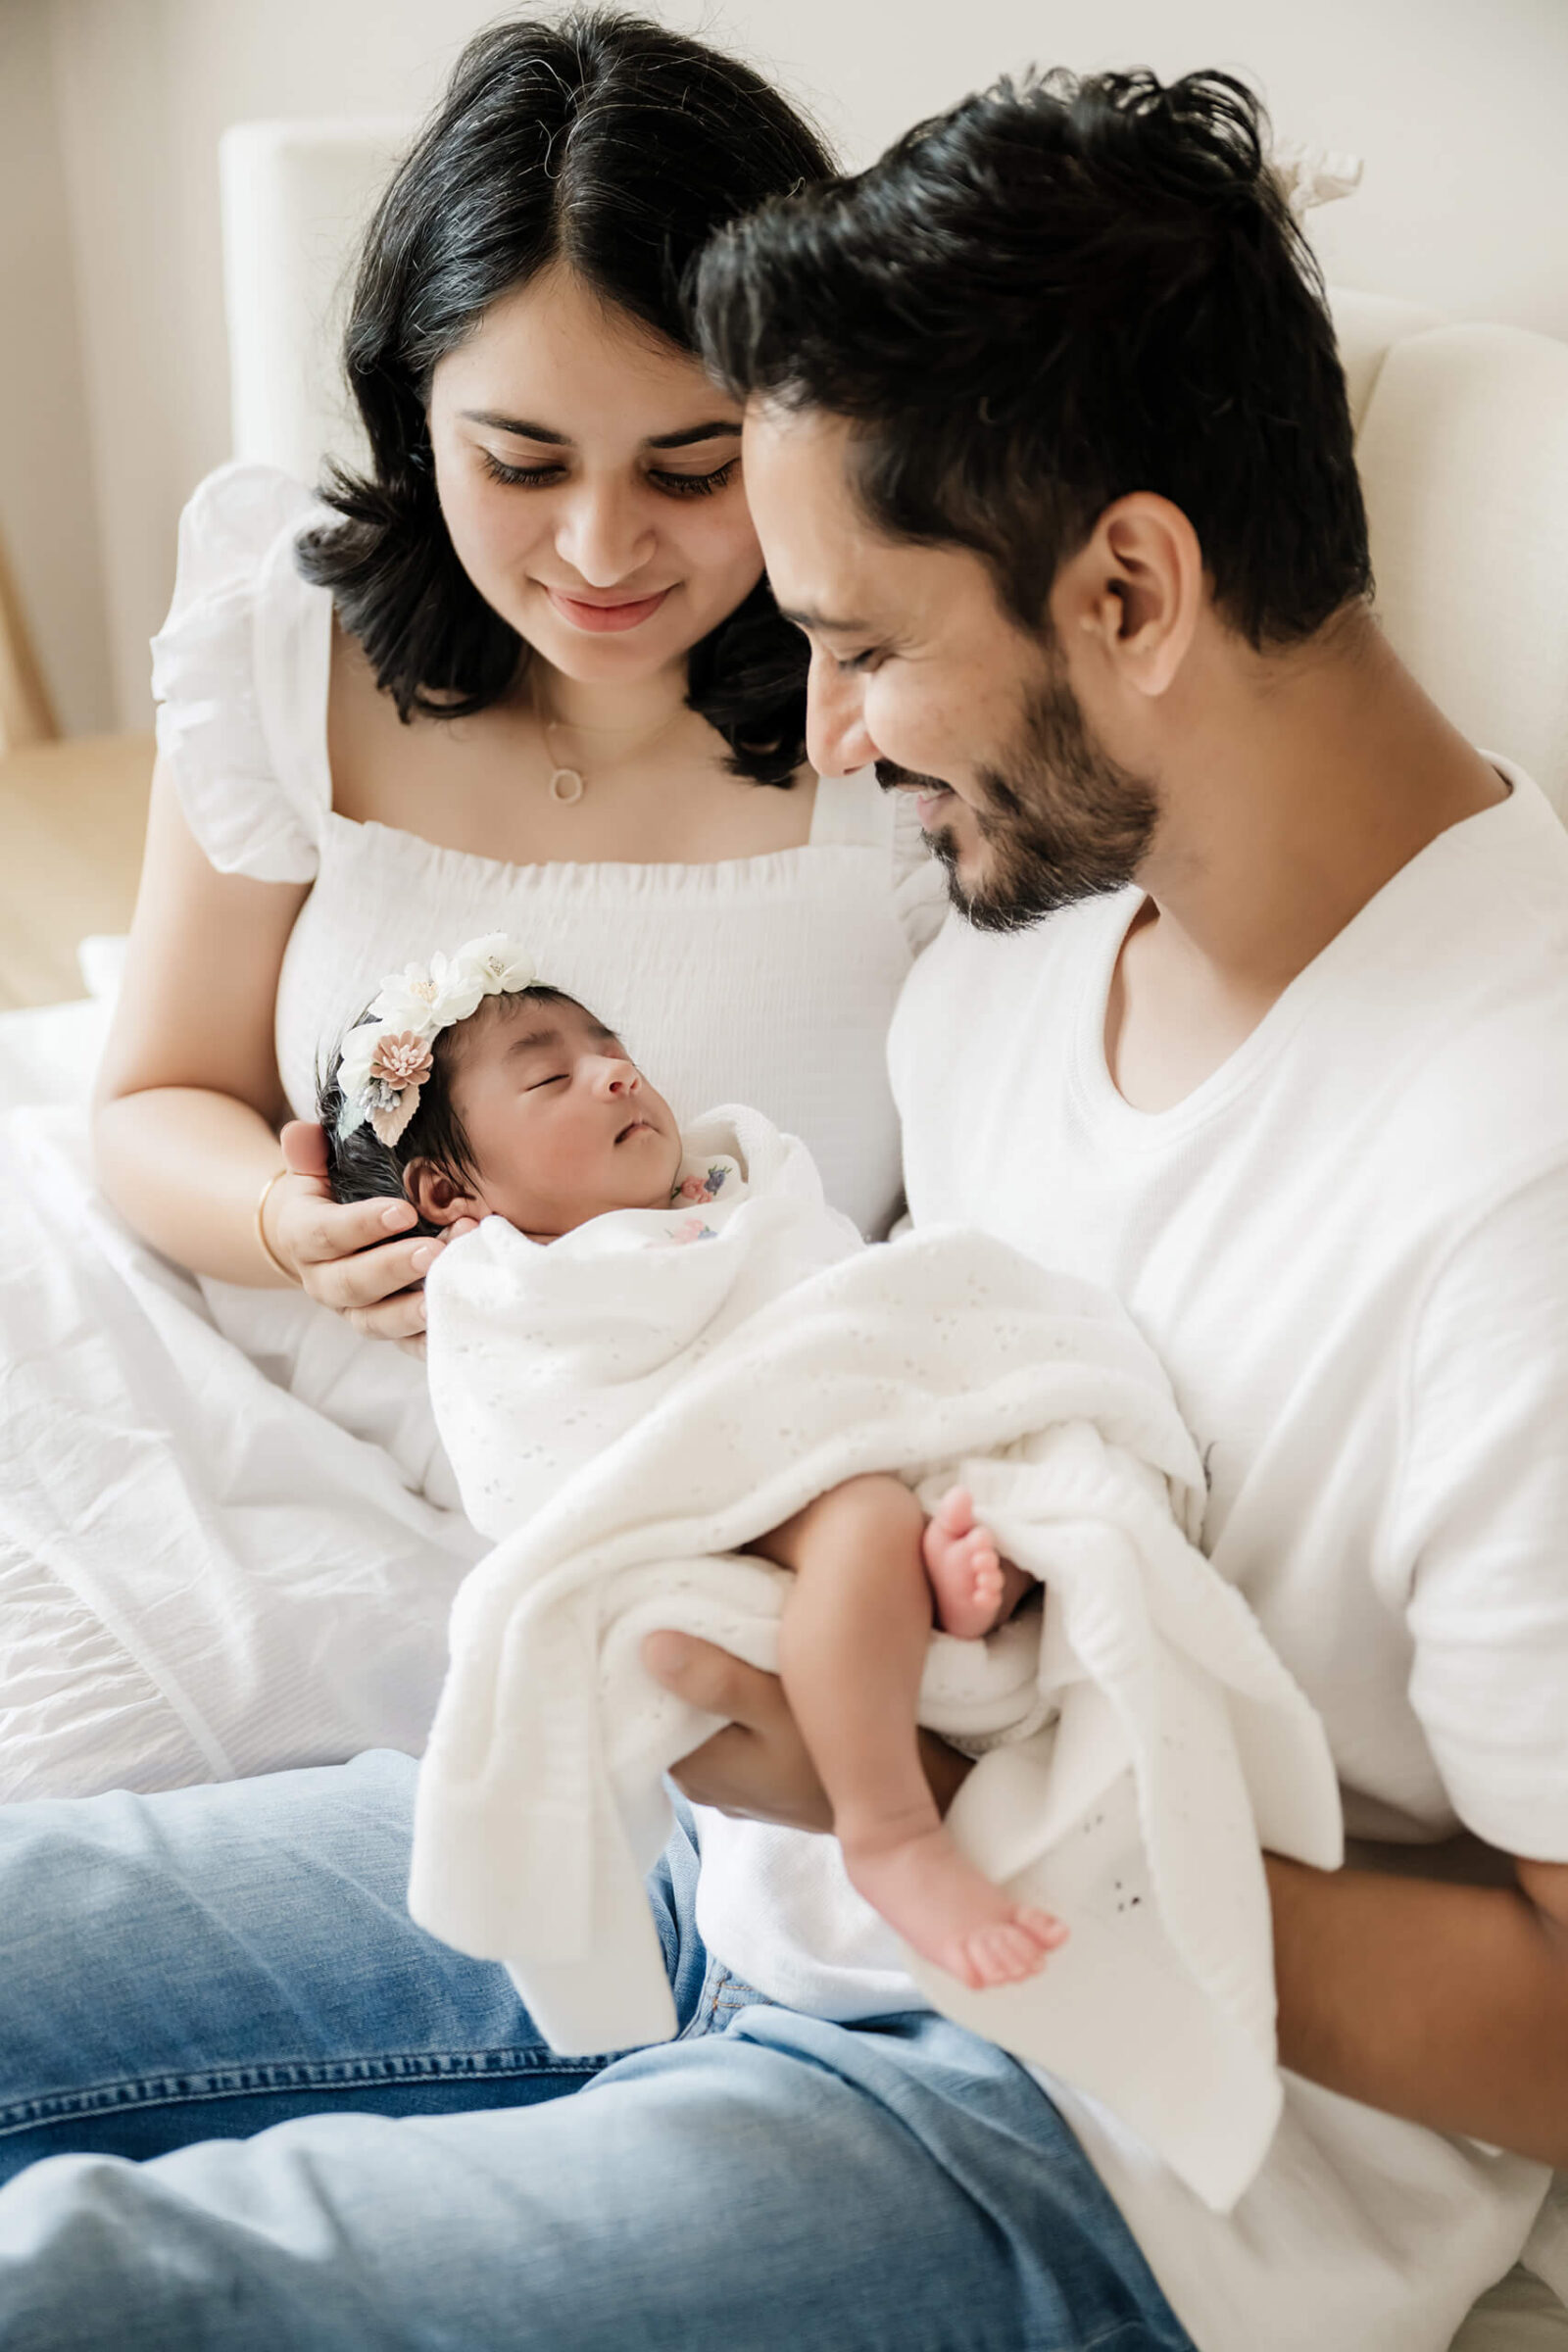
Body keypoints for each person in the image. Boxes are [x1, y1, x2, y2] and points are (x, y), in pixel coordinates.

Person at [0, 58, 1562, 2352]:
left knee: (93, 2292)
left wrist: (915, 1785)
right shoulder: (1015, 963)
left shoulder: (1508, 1177)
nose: (817, 733)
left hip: (1098, 2131)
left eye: (860, 640)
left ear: (1130, 583)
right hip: (731, 1842)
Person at [0, 8, 942, 1801]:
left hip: (654, 1497)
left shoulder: (898, 735)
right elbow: (152, 1099)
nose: (601, 553)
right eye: (518, 464)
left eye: (692, 466)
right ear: (408, 408)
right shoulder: (297, 648)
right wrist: (296, 1237)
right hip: (227, 1401)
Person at [320, 938, 1058, 1991]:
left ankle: (954, 1590)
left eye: (611, 1047)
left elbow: (828, 1283)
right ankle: (891, 1828)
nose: (616, 1072)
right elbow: (556, 1428)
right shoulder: (516, 1288)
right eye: (550, 1076)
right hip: (723, 1473)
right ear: (447, 1192)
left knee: (1025, 1464)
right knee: (856, 1521)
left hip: (857, 1402)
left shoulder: (731, 1178)